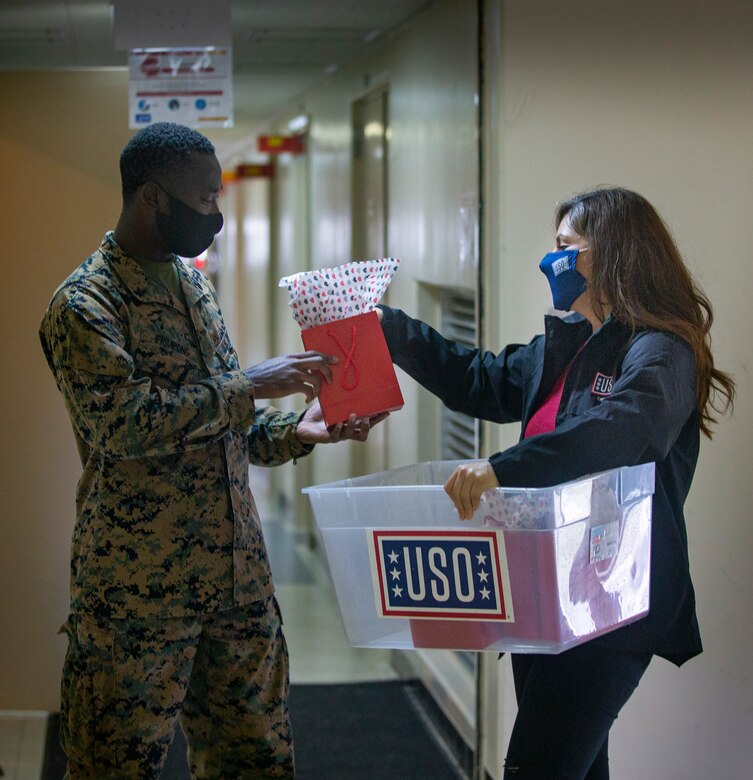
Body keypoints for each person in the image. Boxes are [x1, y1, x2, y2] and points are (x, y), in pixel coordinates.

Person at [39, 122, 383, 779]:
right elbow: (124, 425)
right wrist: (247, 384)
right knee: (112, 767)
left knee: (254, 763)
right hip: (139, 597)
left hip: (236, 585)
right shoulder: (85, 306)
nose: (217, 218)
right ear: (151, 198)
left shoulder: (192, 286)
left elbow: (225, 428)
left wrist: (296, 430)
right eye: (203, 201)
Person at [377, 186, 735, 778]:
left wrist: (501, 468)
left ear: (610, 254)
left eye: (565, 247)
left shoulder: (661, 352)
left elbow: (618, 430)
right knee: (576, 764)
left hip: (612, 599)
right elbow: (479, 380)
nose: (553, 261)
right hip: (544, 594)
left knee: (537, 766)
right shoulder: (566, 346)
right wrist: (391, 330)